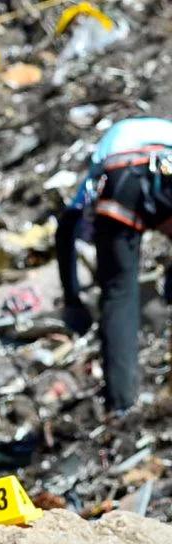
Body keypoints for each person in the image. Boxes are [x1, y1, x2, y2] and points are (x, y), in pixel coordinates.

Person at [55, 117, 172, 414]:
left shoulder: (108, 149)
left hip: (121, 183)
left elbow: (67, 223)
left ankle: (122, 405)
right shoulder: (164, 131)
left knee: (119, 295)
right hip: (168, 170)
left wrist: (73, 300)